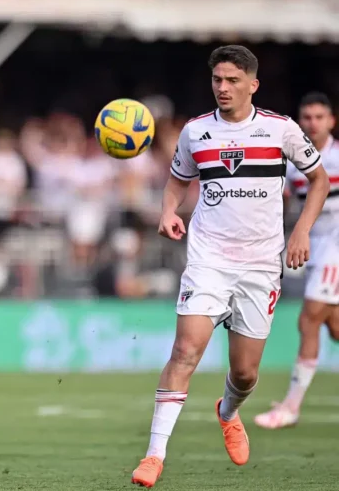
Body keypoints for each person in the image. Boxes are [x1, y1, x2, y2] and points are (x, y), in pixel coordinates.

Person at [130, 45, 329, 488]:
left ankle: (228, 411)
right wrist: (168, 211)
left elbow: (318, 181)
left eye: (233, 80)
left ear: (252, 85)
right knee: (185, 351)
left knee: (245, 373)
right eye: (217, 80)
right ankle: (153, 456)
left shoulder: (281, 130)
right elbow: (177, 182)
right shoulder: (196, 132)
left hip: (261, 265)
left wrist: (301, 232)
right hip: (209, 258)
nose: (223, 87)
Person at [255, 92, 339, 429]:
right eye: (306, 117)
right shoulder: (294, 164)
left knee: (308, 320)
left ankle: (290, 407)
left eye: (319, 117)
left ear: (331, 121)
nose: (312, 123)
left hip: (336, 248)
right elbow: (282, 200)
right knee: (332, 327)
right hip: (316, 249)